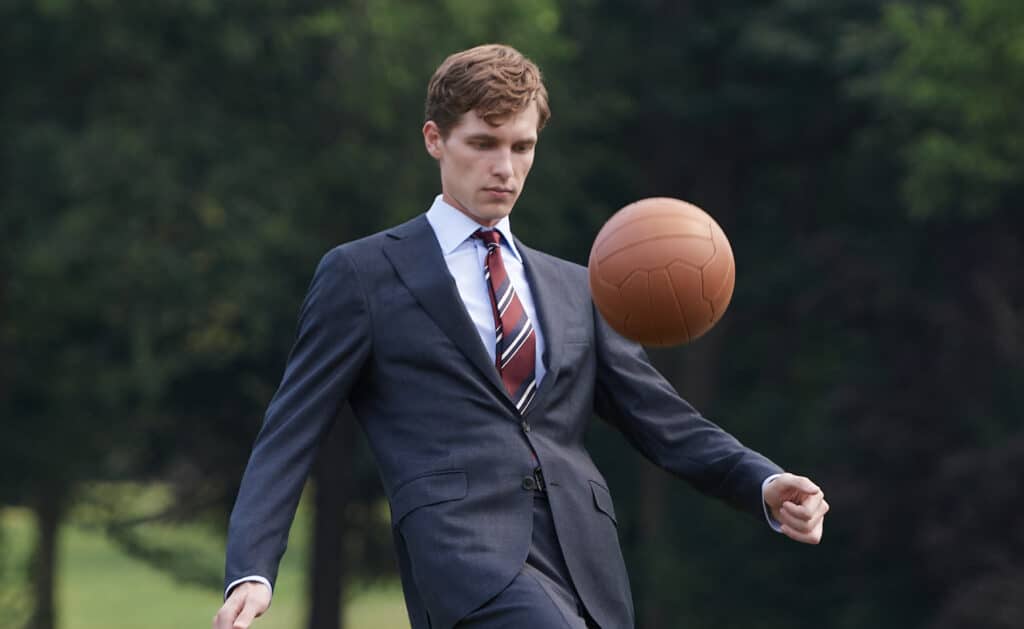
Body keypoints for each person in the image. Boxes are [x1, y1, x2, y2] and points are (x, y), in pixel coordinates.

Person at [213, 43, 829, 629]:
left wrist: (764, 482)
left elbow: (663, 419)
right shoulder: (363, 274)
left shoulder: (581, 287)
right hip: (461, 559)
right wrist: (251, 569)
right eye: (483, 143)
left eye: (521, 146)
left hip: (585, 565)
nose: (504, 168)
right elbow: (290, 431)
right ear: (436, 139)